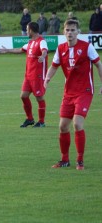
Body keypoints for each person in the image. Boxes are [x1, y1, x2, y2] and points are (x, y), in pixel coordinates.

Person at [44, 19, 102, 170]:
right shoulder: (60, 48)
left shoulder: (87, 47)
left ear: (78, 32)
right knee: (63, 126)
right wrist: (47, 78)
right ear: (63, 32)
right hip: (68, 93)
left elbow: (98, 64)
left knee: (77, 123)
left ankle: (80, 161)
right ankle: (64, 160)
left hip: (84, 91)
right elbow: (54, 66)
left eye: (72, 30)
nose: (70, 33)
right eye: (67, 30)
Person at [0, 22, 48, 128]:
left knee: (39, 98)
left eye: (27, 29)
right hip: (28, 76)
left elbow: (44, 50)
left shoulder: (41, 41)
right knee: (23, 96)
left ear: (31, 30)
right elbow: (20, 49)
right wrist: (7, 50)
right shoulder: (30, 43)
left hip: (37, 75)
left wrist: (43, 56)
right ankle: (30, 119)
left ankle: (41, 121)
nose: (26, 31)